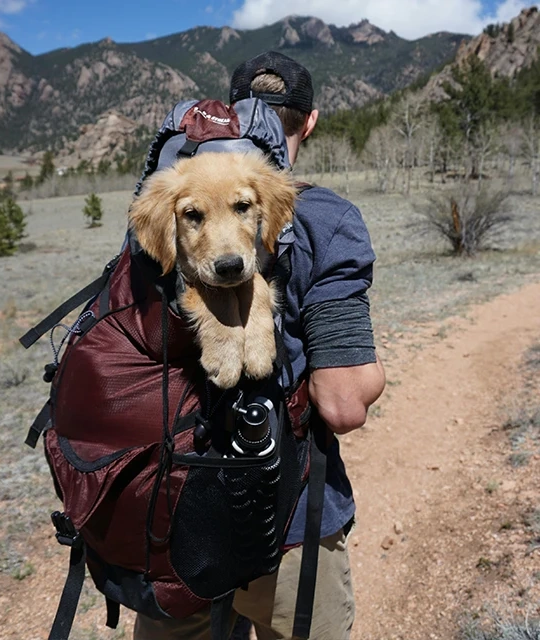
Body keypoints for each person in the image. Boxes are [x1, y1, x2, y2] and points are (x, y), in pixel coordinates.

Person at [134, 51, 386, 640]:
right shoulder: (328, 219)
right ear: (311, 121)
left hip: (170, 516)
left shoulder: (172, 203)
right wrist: (373, 371)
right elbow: (344, 404)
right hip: (285, 522)